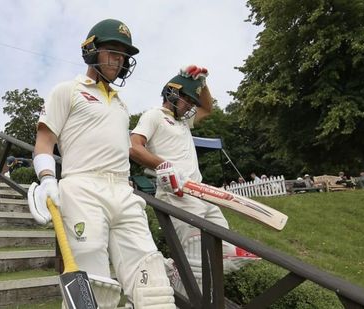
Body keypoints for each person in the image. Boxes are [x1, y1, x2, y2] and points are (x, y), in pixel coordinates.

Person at [26, 19, 175, 309]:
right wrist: (46, 178)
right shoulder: (67, 90)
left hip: (123, 192)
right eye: (112, 52)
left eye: (123, 56)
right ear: (91, 50)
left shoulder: (121, 104)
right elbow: (44, 142)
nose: (119, 61)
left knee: (153, 286)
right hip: (82, 187)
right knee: (94, 289)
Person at [130, 65, 260, 294]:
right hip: (176, 193)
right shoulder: (154, 116)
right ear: (172, 94)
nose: (191, 106)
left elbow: (207, 108)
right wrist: (163, 165)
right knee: (194, 256)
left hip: (200, 191)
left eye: (192, 102)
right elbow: (134, 147)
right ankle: (178, 279)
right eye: (187, 100)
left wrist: (203, 82)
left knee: (224, 242)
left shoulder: (183, 122)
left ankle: (175, 270)